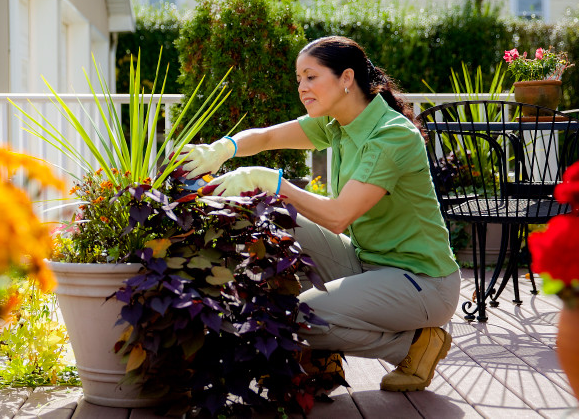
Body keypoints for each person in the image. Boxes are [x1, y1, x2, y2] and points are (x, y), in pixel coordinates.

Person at [179, 36, 460, 392]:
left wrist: (269, 181)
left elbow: (338, 216)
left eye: (311, 77)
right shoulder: (337, 123)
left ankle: (413, 346)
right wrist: (223, 149)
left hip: (423, 282)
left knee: (298, 316)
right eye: (299, 79)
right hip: (367, 261)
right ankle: (323, 352)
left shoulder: (392, 135)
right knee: (279, 217)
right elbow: (266, 138)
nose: (302, 87)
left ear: (346, 78)